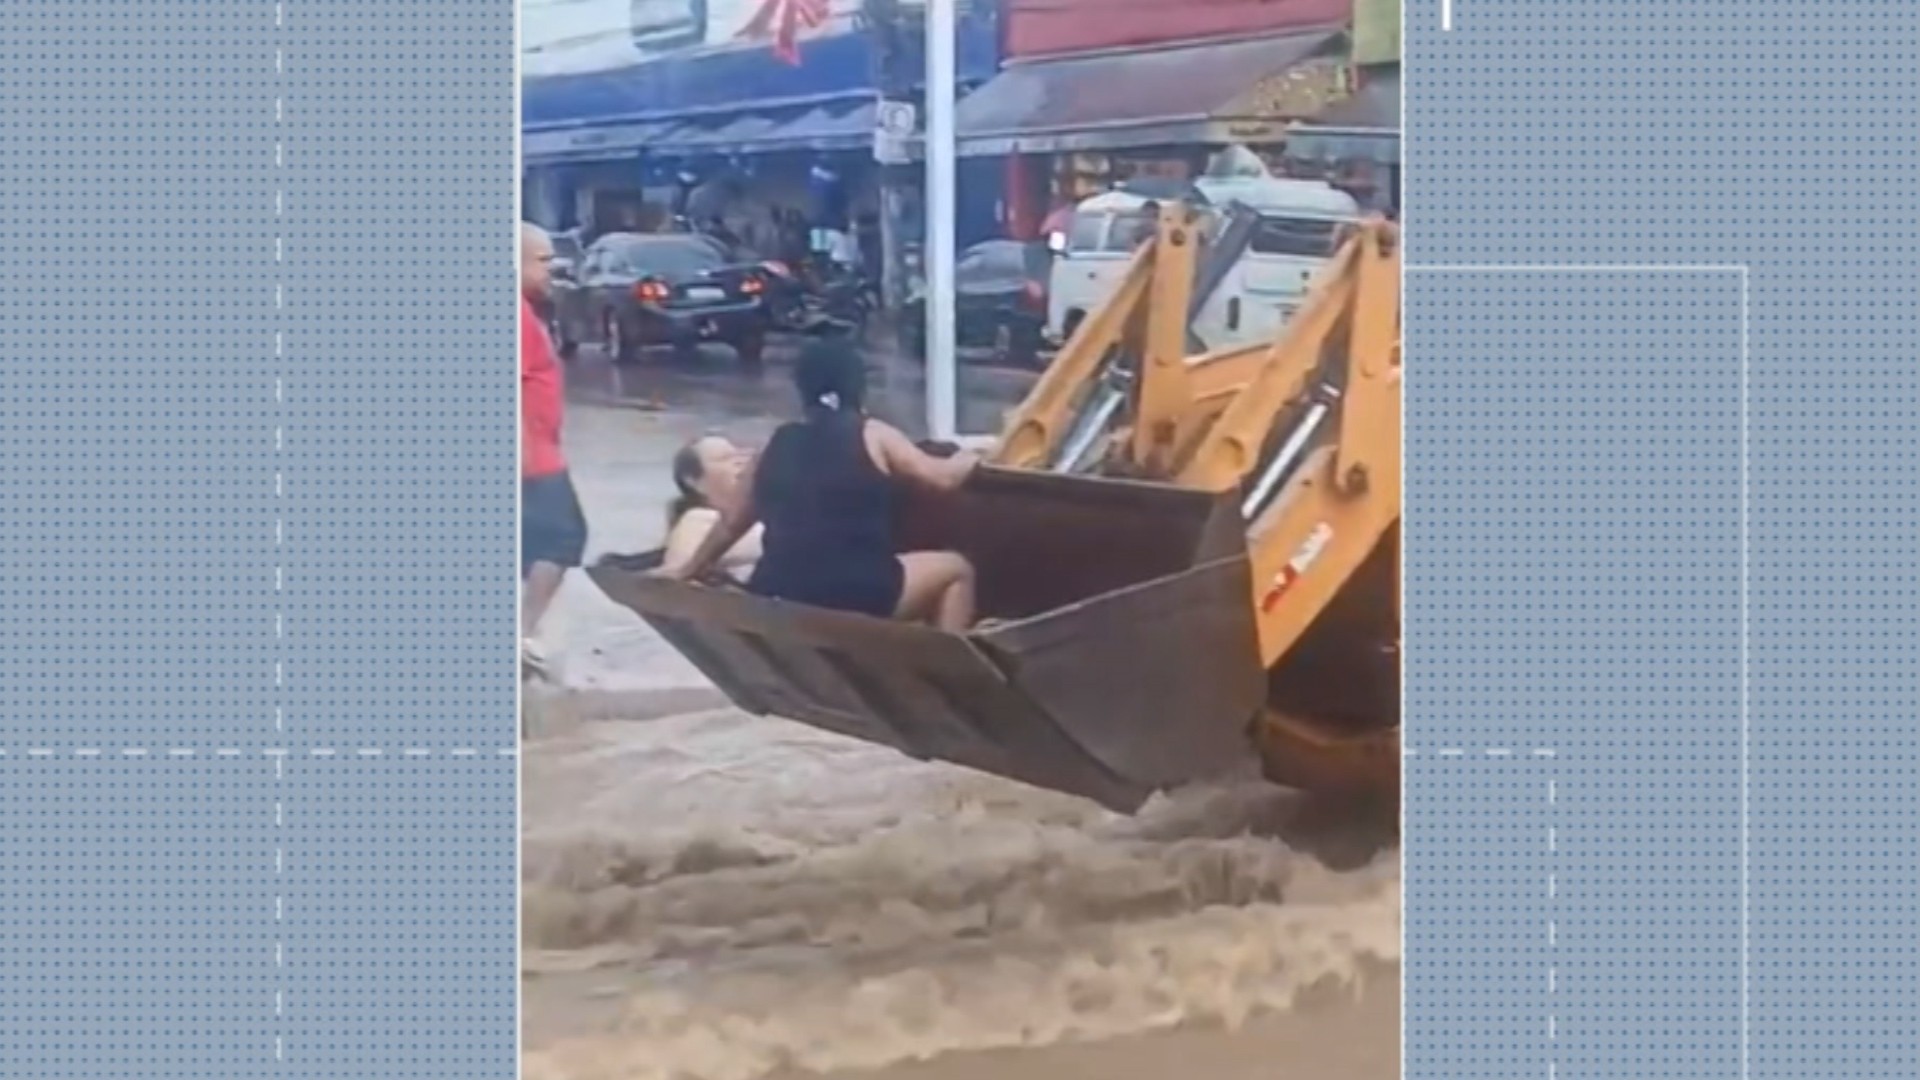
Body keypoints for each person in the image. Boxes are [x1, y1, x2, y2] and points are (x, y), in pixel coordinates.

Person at [659, 341, 982, 632]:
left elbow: (730, 524)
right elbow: (943, 480)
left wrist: (686, 571)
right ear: (858, 385)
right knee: (957, 568)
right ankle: (951, 675)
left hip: (777, 587)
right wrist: (968, 458)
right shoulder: (873, 433)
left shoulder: (777, 442)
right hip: (857, 591)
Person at [520, 222, 590, 678]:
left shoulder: (526, 312)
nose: (554, 268)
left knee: (533, 548)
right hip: (533, 457)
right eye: (543, 260)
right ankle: (522, 633)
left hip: (540, 449)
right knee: (564, 536)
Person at [660, 434, 763, 581]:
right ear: (693, 481)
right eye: (724, 458)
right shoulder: (698, 518)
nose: (740, 462)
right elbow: (678, 567)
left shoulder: (764, 513)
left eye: (740, 455)